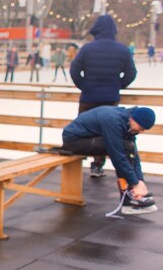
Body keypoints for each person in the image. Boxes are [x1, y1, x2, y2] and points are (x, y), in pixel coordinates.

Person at [70, 15, 137, 177]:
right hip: (110, 99)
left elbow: (74, 70)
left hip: (88, 98)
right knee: (106, 132)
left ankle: (74, 165)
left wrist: (84, 85)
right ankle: (97, 164)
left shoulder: (87, 49)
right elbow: (131, 73)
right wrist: (117, 85)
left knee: (83, 129)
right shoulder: (122, 50)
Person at [62, 106, 157, 215]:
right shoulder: (113, 121)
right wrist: (134, 183)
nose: (141, 132)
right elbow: (117, 155)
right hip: (74, 141)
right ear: (133, 119)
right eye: (141, 128)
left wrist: (140, 180)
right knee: (122, 149)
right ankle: (129, 199)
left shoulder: (128, 121)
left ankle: (132, 195)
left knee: (128, 147)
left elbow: (133, 153)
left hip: (89, 137)